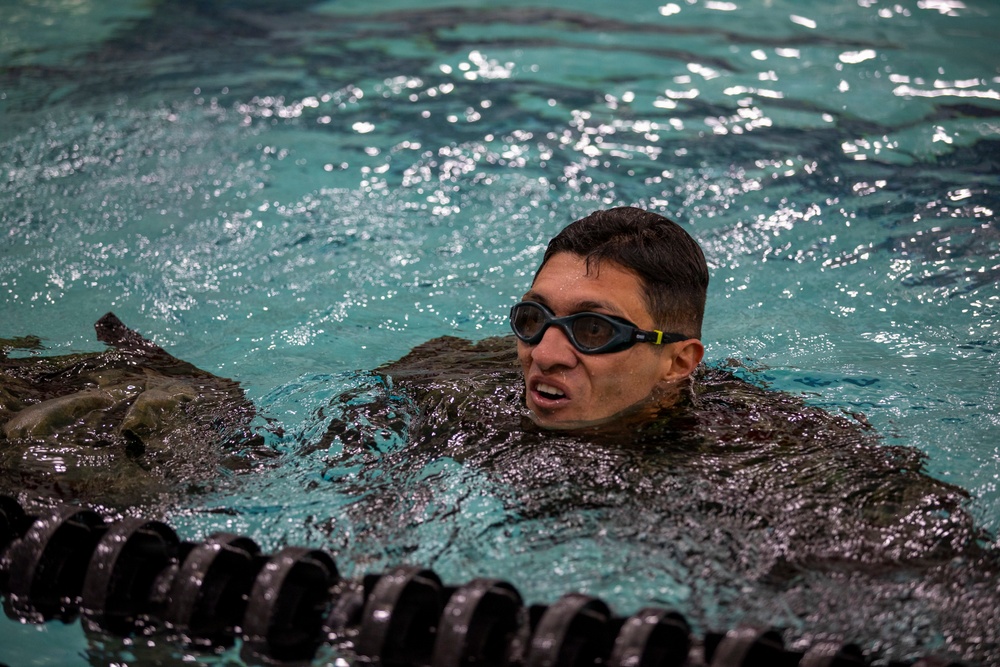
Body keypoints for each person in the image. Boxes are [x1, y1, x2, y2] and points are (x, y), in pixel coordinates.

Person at [509, 206, 709, 428]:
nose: (543, 354)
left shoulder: (732, 449)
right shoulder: (473, 388)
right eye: (534, 318)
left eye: (594, 329)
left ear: (677, 362)